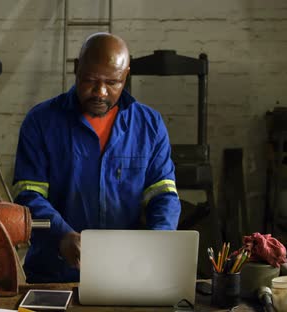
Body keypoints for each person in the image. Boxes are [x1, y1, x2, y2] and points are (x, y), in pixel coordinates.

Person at [12, 32, 181, 283]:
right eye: (90, 80)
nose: (100, 92)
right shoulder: (41, 122)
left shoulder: (149, 126)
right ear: (76, 68)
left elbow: (163, 195)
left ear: (126, 76)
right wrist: (62, 236)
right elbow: (28, 195)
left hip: (128, 275)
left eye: (112, 82)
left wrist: (157, 243)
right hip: (55, 274)